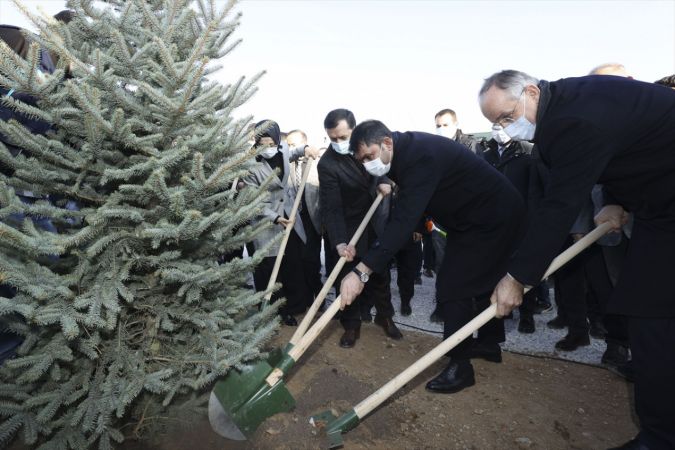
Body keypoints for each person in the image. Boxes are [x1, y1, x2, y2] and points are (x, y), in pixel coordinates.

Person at [480, 69, 675, 450]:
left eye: (507, 116)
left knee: (652, 314)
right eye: (496, 123)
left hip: (667, 205)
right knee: (648, 308)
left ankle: (660, 438)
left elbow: (559, 204)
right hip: (659, 205)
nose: (506, 128)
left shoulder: (570, 119)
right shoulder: (568, 103)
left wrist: (517, 277)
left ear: (531, 92)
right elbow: (624, 149)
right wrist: (618, 200)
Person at [339, 120, 524, 394]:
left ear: (387, 143)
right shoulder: (405, 153)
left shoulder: (420, 155)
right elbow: (415, 202)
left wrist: (361, 271)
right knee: (485, 282)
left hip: (492, 218)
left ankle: (460, 365)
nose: (368, 165)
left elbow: (402, 220)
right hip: (472, 220)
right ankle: (489, 343)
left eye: (370, 156)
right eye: (362, 160)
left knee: (452, 286)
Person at [317, 109, 402, 348]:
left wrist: (386, 182)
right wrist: (340, 242)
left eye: (343, 137)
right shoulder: (327, 164)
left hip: (377, 221)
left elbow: (387, 166)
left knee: (380, 276)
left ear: (354, 130)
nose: (338, 143)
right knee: (348, 277)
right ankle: (351, 325)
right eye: (333, 138)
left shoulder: (368, 145)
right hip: (350, 226)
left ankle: (385, 317)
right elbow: (331, 207)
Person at [241, 120, 314, 326]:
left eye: (271, 143)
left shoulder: (281, 151)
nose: (268, 148)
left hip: (288, 217)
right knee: (270, 268)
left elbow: (294, 152)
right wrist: (273, 217)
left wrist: (307, 148)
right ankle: (276, 310)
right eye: (262, 143)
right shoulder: (250, 163)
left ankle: (295, 305)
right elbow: (250, 198)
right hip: (266, 221)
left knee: (292, 262)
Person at [482, 125, 538, 333]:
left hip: (522, 218)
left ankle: (527, 314)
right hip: (495, 219)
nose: (500, 131)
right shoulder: (487, 155)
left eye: (504, 126)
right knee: (498, 265)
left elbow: (534, 189)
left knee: (522, 266)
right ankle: (504, 307)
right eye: (496, 127)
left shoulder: (526, 151)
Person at [287, 129, 323, 303]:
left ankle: (318, 296)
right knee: (297, 261)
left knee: (311, 260)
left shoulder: (318, 161)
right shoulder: (288, 162)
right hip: (294, 218)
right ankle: (305, 298)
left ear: (305, 143)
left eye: (294, 145)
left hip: (312, 218)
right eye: (289, 145)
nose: (291, 148)